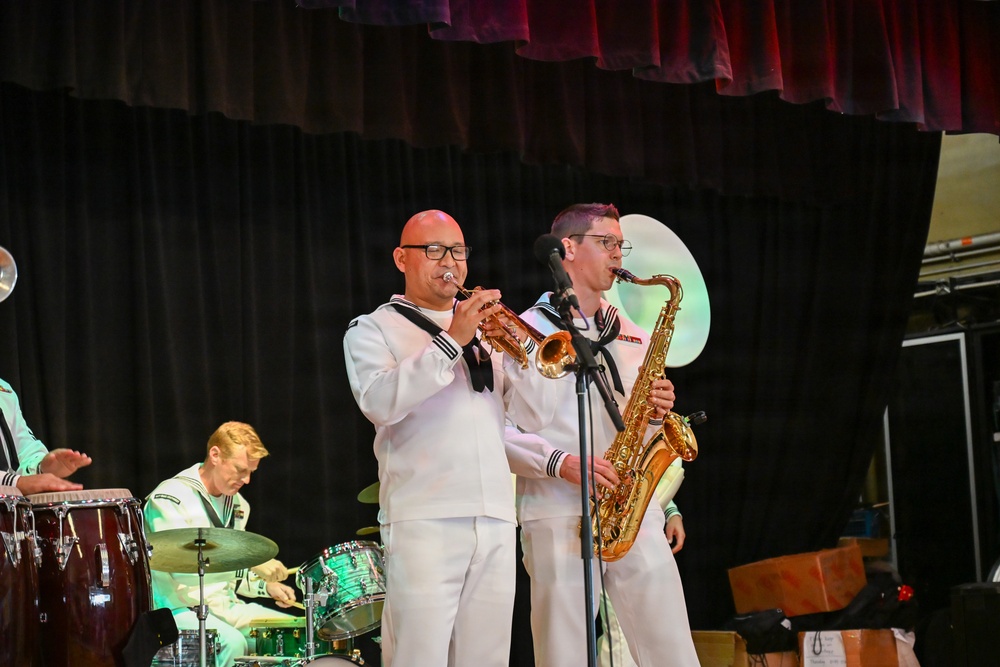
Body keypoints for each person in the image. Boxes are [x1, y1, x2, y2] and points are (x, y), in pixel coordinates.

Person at [343, 209, 549, 667]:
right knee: (419, 657)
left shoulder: (484, 329)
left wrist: (521, 356)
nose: (449, 263)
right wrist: (452, 339)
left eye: (457, 251)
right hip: (424, 517)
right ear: (401, 258)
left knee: (487, 659)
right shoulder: (372, 328)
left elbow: (535, 415)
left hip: (495, 515)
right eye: (433, 250)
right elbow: (379, 401)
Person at [505, 203, 701, 666]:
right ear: (567, 249)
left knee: (671, 647)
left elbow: (637, 421)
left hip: (632, 506)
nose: (618, 254)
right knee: (564, 653)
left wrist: (658, 411)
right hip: (557, 508)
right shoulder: (523, 332)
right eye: (606, 243)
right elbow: (497, 430)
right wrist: (561, 463)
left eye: (620, 244)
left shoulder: (631, 332)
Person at [144, 421, 298, 667]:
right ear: (215, 455)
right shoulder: (170, 497)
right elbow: (179, 565)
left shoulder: (238, 505)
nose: (246, 480)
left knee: (293, 631)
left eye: (251, 472)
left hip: (225, 607)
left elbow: (231, 576)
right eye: (240, 469)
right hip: (176, 609)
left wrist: (265, 587)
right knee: (233, 643)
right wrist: (254, 564)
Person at [1, 377, 92, 494]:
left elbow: (23, 448)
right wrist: (16, 482)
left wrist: (41, 467)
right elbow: (19, 482)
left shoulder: (4, 390)